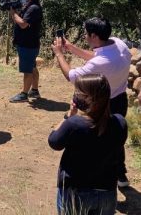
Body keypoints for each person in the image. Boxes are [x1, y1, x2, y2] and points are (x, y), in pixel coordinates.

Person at [52, 17, 132, 187]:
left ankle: (97, 175)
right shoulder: (119, 44)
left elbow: (71, 76)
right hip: (120, 98)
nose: (85, 37)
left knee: (96, 138)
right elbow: (96, 55)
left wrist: (59, 54)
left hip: (102, 103)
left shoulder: (100, 64)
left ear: (94, 36)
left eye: (86, 34)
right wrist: (71, 48)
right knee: (115, 135)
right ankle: (121, 174)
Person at [48, 74, 127, 215]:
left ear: (89, 98)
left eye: (78, 93)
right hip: (107, 191)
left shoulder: (74, 124)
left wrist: (68, 116)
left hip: (76, 192)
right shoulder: (120, 122)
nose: (75, 96)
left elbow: (54, 141)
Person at [9, 0, 44, 103]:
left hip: (28, 44)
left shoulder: (33, 8)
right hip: (30, 43)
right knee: (32, 66)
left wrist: (13, 13)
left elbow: (23, 24)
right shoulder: (30, 7)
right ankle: (34, 90)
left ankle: (24, 94)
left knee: (27, 70)